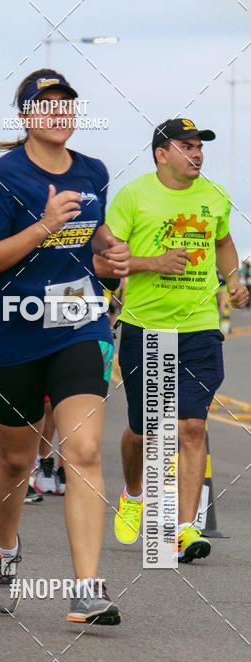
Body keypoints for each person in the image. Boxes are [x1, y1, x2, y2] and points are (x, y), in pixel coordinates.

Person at [0, 69, 129, 622]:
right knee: (14, 459)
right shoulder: (3, 176)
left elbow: (95, 230)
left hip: (78, 324)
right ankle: (6, 551)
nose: (58, 113)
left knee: (82, 451)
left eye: (66, 105)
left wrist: (114, 248)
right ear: (26, 116)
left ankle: (87, 587)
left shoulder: (93, 171)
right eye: (46, 105)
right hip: (12, 332)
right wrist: (42, 226)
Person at [96, 118, 249, 562]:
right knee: (145, 432)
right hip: (147, 325)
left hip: (200, 326)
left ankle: (183, 528)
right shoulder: (133, 196)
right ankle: (133, 492)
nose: (197, 153)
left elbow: (223, 242)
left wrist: (234, 281)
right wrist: (152, 263)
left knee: (191, 425)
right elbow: (104, 263)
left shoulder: (214, 195)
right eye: (186, 146)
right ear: (162, 153)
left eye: (200, 146)